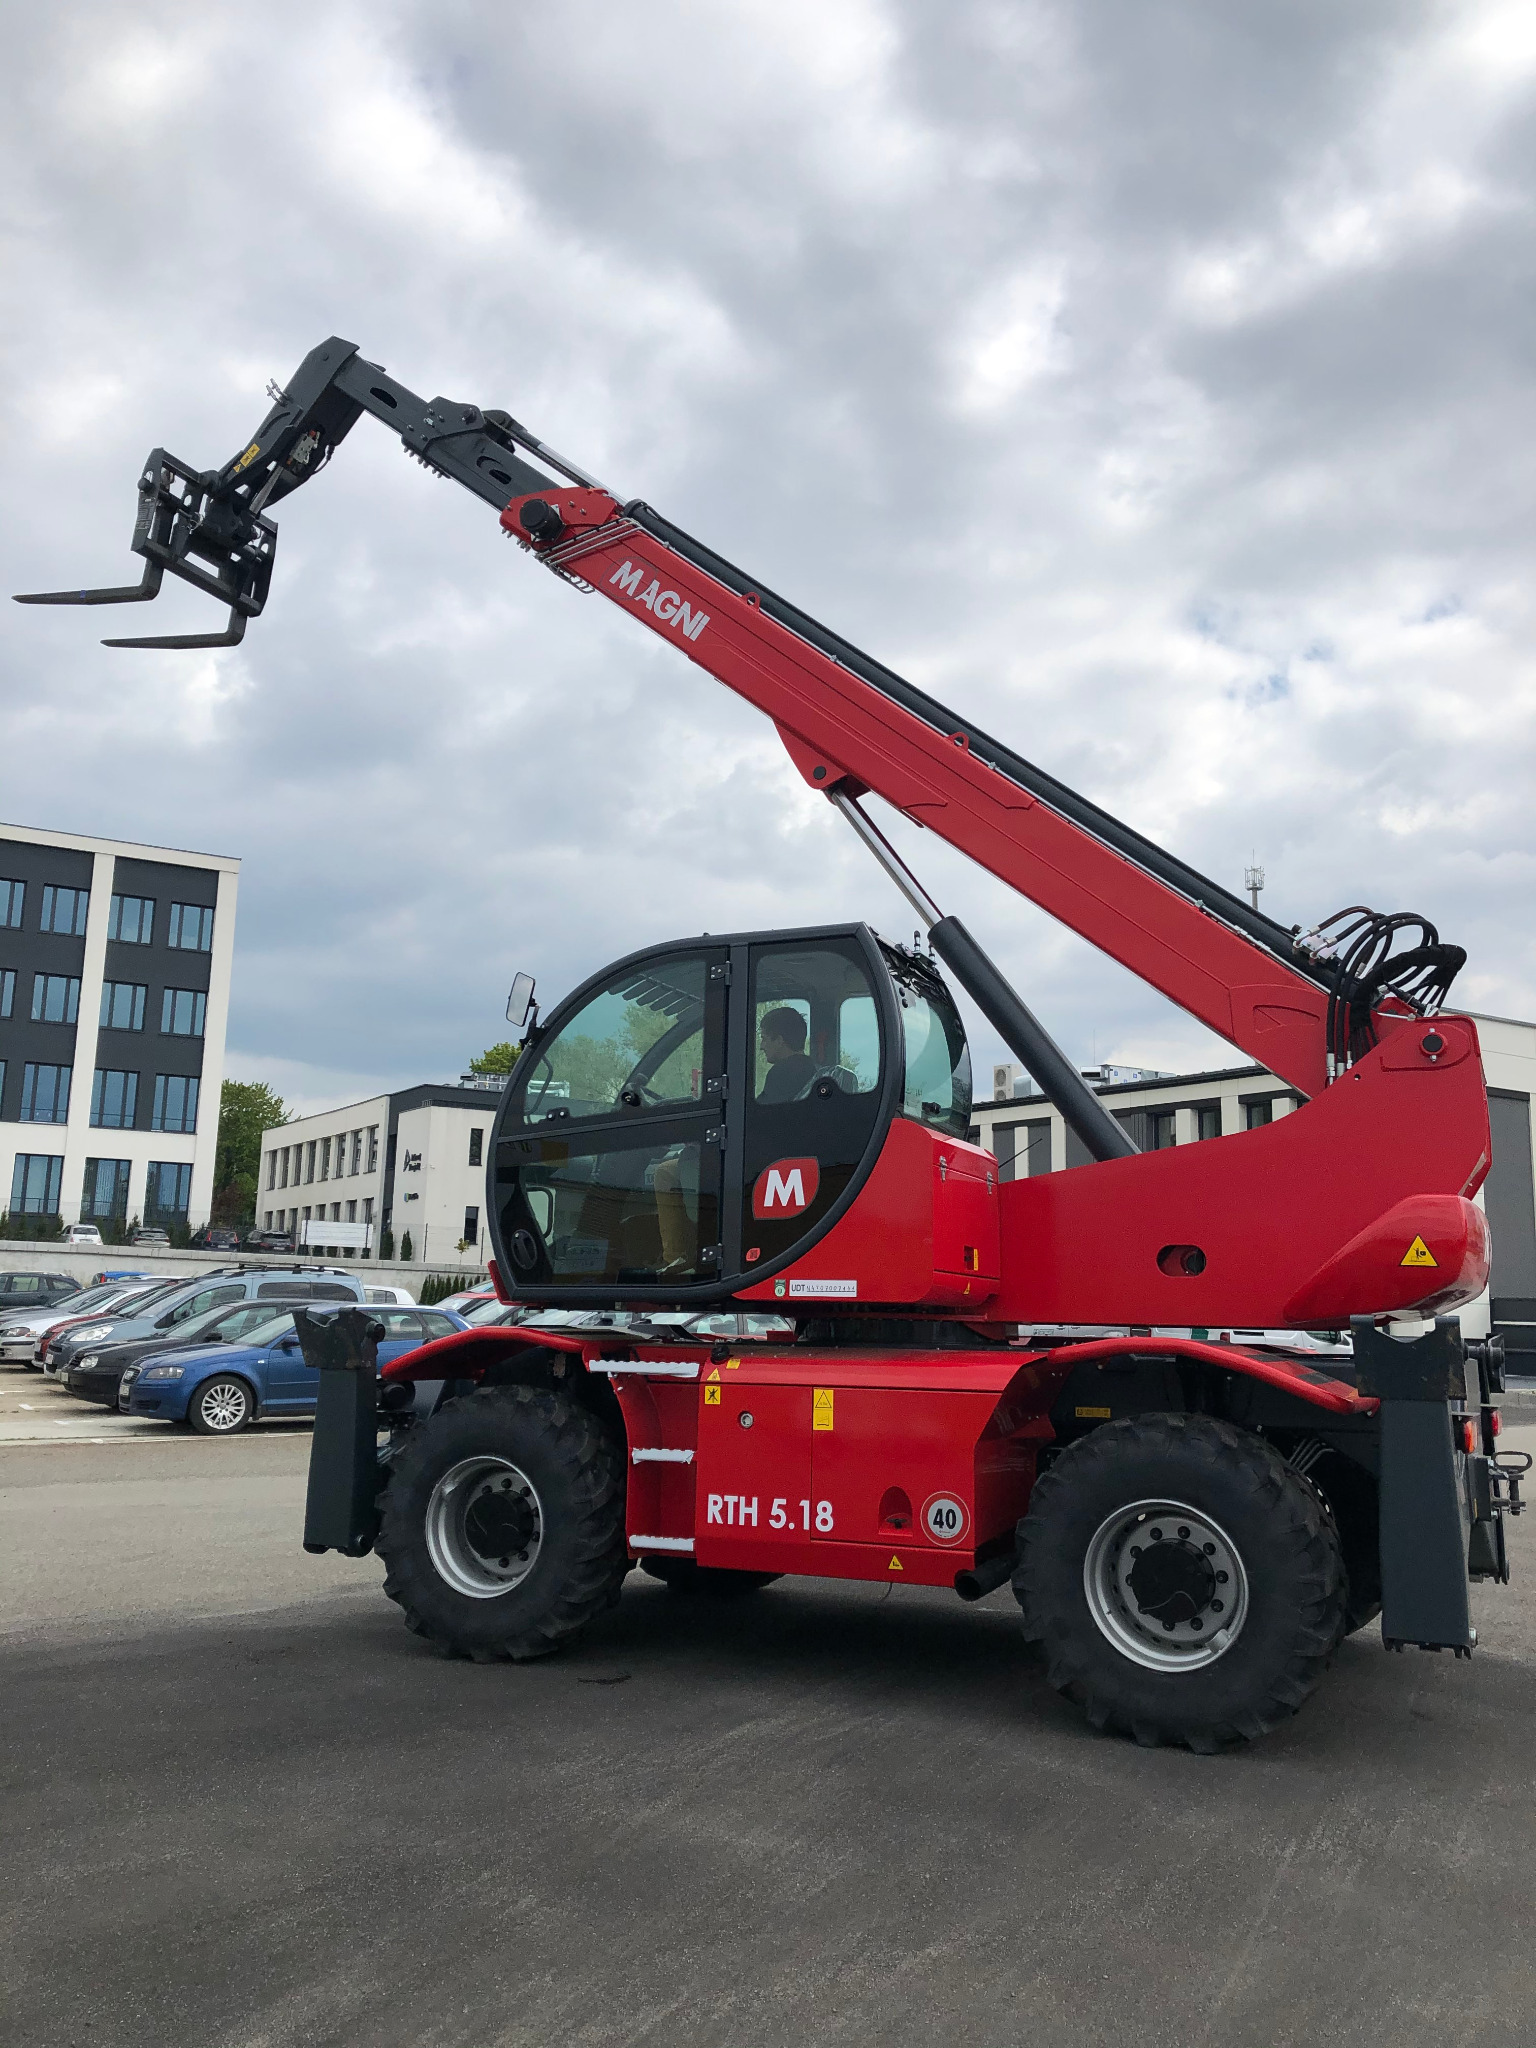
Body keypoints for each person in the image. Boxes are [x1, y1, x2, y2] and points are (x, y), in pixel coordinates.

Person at [757, 1007, 817, 1102]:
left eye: (764, 1039)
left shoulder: (780, 1074)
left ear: (779, 1041)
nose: (761, 1046)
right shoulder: (813, 1070)